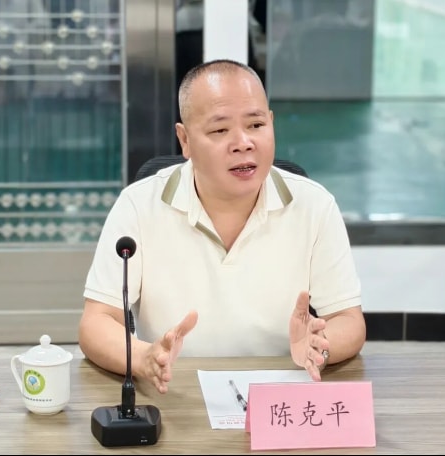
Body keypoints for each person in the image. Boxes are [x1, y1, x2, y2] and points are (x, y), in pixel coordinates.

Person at [79, 59, 366, 394]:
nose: (243, 142)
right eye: (219, 130)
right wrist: (144, 358)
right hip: (174, 393)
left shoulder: (314, 205)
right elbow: (97, 321)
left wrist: (320, 346)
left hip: (278, 396)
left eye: (256, 125)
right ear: (185, 140)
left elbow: (348, 320)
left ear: (271, 123)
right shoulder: (138, 205)